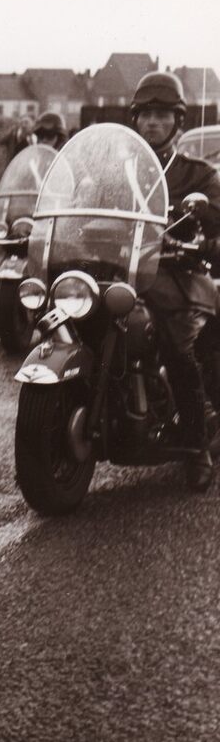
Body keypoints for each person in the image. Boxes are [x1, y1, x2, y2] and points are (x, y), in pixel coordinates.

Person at [131, 71, 220, 491]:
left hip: (181, 274)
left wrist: (198, 219)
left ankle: (196, 446)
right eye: (145, 114)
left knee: (175, 344)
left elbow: (214, 216)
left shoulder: (196, 173)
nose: (152, 122)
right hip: (128, 273)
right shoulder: (120, 169)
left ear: (177, 121)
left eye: (161, 115)